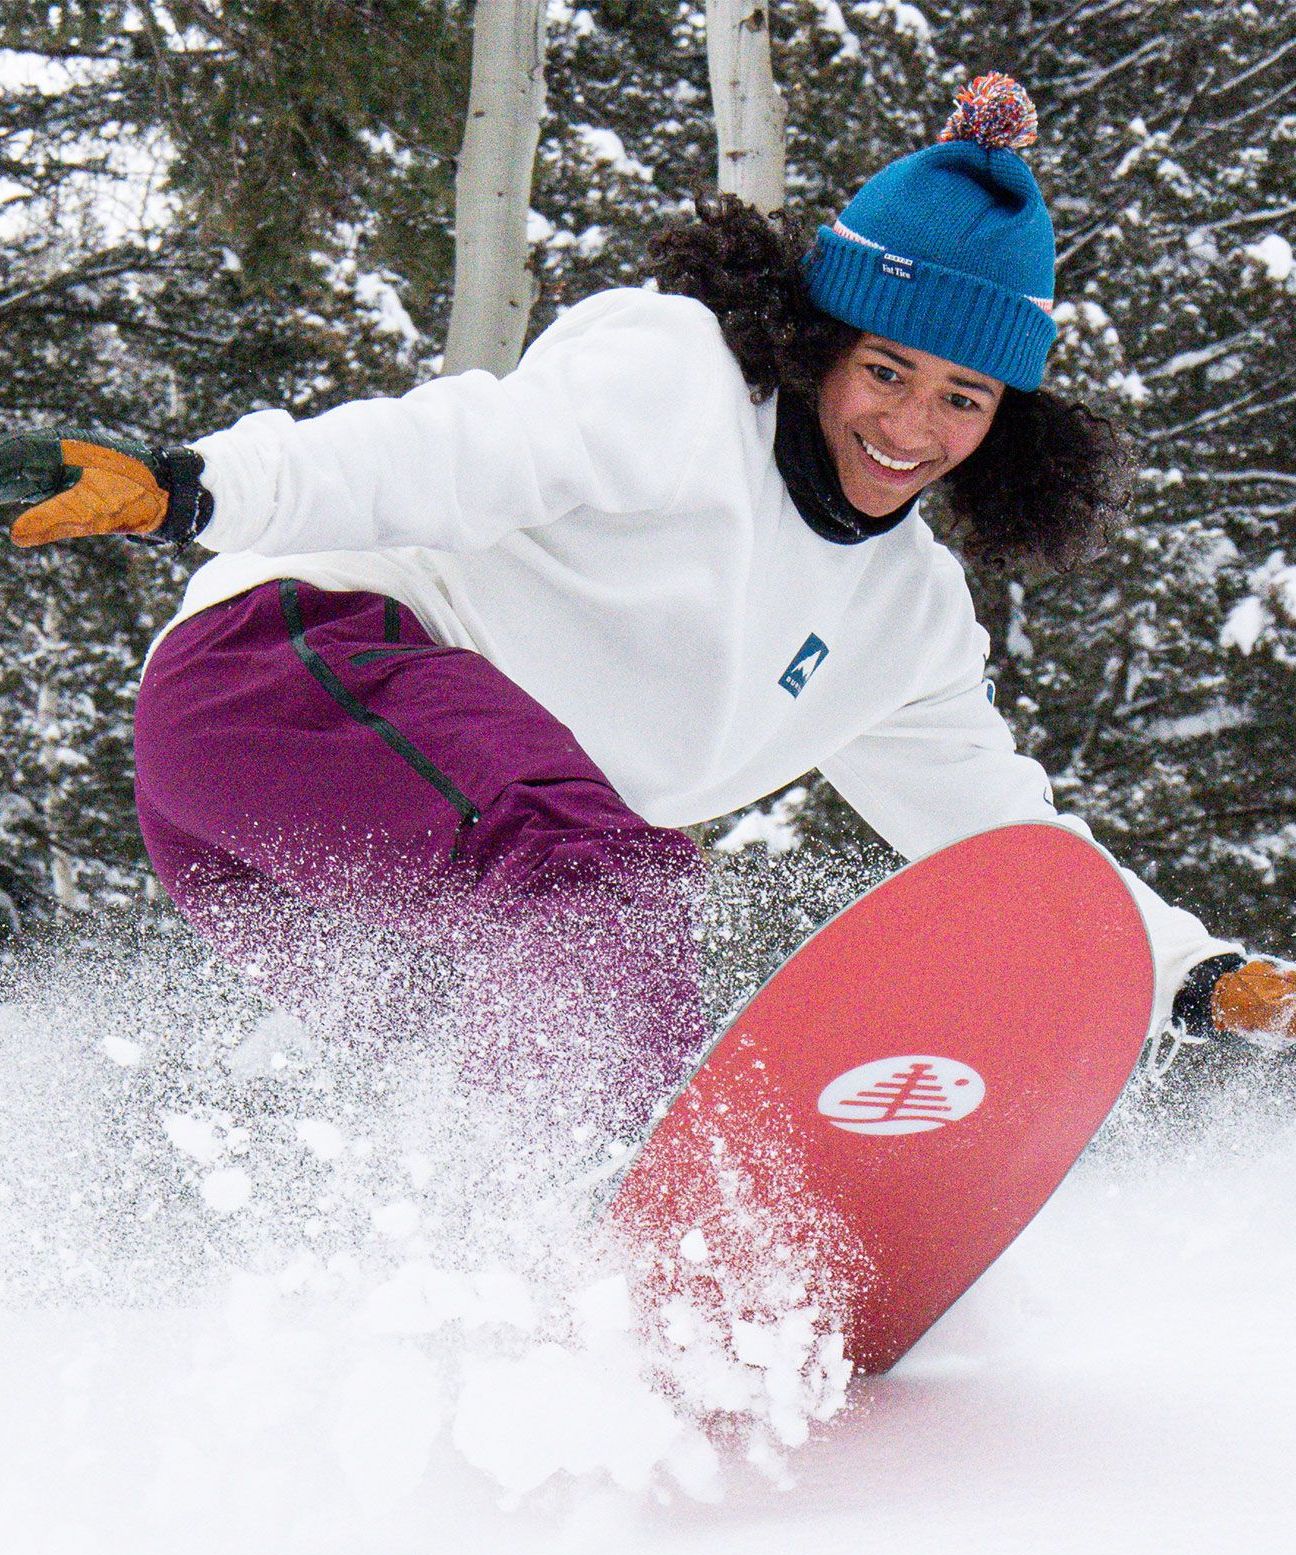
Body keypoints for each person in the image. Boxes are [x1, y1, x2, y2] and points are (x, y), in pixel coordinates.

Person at [2, 73, 1293, 1128]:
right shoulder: (675, 383)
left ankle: (509, 1306)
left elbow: (998, 836)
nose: (910, 427)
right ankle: (621, 1206)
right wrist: (191, 488)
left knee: (457, 1087)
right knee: (608, 900)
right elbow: (447, 449)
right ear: (817, 341)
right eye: (885, 370)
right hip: (285, 676)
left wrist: (1188, 973)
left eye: (963, 399)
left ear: (1006, 423)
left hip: (318, 861)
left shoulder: (909, 620)